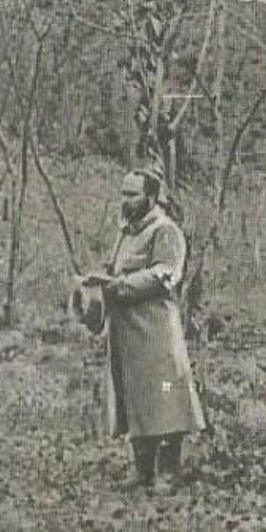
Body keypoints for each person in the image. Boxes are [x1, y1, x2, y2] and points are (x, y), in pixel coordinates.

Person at [78, 168, 205, 490]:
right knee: (133, 398)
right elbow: (113, 269)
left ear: (150, 196)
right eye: (123, 193)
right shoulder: (126, 233)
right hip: (125, 333)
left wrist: (120, 284)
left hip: (156, 330)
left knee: (165, 398)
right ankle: (142, 469)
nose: (125, 201)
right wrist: (94, 287)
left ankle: (168, 471)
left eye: (132, 194)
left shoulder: (166, 231)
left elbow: (166, 273)